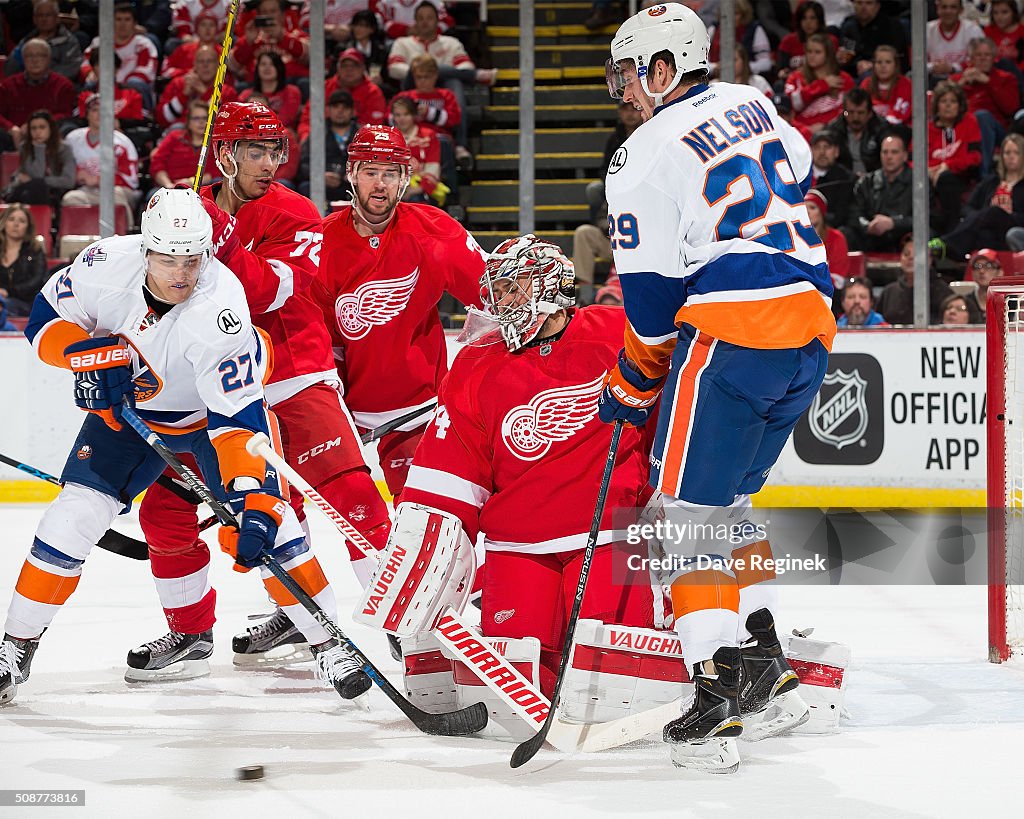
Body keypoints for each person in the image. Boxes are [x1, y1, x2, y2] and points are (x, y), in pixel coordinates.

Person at [0, 189, 367, 704]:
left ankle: (331, 643)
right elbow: (43, 320)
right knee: (69, 517)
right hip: (126, 418)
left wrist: (253, 499)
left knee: (274, 525)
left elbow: (236, 421)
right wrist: (81, 354)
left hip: (205, 420)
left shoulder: (222, 308)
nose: (182, 272)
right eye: (169, 258)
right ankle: (15, 646)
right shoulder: (104, 263)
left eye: (192, 258)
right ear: (145, 249)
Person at [600, 4, 830, 772]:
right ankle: (766, 662)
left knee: (685, 512)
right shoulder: (750, 99)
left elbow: (654, 313)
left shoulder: (640, 154)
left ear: (663, 69)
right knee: (731, 501)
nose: (625, 91)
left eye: (631, 74)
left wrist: (628, 381)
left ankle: (717, 691)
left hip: (734, 331)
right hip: (813, 327)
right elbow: (797, 171)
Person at [135, 103, 391, 670]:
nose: (271, 162)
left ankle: (410, 623)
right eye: (256, 151)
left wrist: (214, 232)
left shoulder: (296, 212)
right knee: (167, 509)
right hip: (217, 394)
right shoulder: (187, 209)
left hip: (294, 378)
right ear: (223, 154)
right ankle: (192, 631)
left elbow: (271, 293)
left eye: (276, 151)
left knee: (352, 500)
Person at [392, 235, 661, 700]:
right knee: (513, 686)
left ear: (551, 287)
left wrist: (665, 485)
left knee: (615, 679)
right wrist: (420, 541)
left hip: (609, 532)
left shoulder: (620, 332)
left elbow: (680, 403)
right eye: (499, 291)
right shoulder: (476, 360)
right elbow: (452, 463)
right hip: (516, 542)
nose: (504, 302)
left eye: (515, 288)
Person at [312, 124, 487, 499]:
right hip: (346, 414)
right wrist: (330, 409)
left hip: (419, 412)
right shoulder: (322, 242)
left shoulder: (435, 231)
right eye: (370, 172)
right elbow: (317, 341)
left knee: (419, 518)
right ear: (351, 173)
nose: (380, 185)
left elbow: (494, 301)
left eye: (390, 174)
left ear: (405, 178)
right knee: (356, 523)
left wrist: (473, 375)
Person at [931, 132, 1024, 259]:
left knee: (994, 212)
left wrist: (1007, 214)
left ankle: (947, 244)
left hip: (1013, 227)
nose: (1011, 157)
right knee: (985, 232)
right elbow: (967, 208)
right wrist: (982, 216)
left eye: (1016, 153)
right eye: (1007, 153)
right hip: (988, 229)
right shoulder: (991, 182)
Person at [61, 95, 141, 225]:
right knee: (70, 199)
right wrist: (76, 174)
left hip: (116, 190)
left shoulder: (122, 142)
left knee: (116, 196)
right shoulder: (73, 139)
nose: (99, 114)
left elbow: (131, 181)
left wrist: (99, 180)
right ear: (87, 114)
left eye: (103, 111)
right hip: (86, 190)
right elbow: (61, 168)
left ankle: (124, 236)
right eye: (94, 110)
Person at [952, 37, 1020, 176]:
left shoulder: (1006, 78)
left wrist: (988, 82)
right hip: (962, 130)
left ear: (994, 58)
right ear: (970, 59)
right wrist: (960, 86)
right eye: (978, 55)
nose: (983, 59)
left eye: (987, 55)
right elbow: (941, 108)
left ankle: (984, 175)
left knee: (982, 116)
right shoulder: (957, 80)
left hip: (998, 132)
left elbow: (1011, 109)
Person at [0, 38, 76, 150]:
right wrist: (11, 128)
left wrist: (36, 127)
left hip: (50, 135)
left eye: (41, 55)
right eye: (29, 56)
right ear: (23, 60)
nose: (35, 60)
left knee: (68, 128)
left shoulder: (63, 85)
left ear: (49, 59)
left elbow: (66, 114)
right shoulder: (7, 85)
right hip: (15, 136)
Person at [81, 2, 159, 111]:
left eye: (127, 20)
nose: (122, 24)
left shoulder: (143, 44)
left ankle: (144, 118)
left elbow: (146, 72)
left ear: (135, 23)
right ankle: (84, 117)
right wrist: (90, 72)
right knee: (90, 83)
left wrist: (118, 85)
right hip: (103, 85)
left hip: (130, 90)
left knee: (136, 83)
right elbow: (85, 64)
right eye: (118, 19)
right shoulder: (99, 42)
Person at [298, 48, 387, 143]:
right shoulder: (325, 87)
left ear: (363, 68)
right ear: (338, 69)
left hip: (360, 143)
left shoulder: (373, 92)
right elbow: (307, 119)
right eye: (345, 66)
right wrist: (306, 137)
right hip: (323, 140)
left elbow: (374, 127)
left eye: (354, 66)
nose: (349, 70)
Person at [843, 132, 913, 252]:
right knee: (845, 233)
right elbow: (854, 214)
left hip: (903, 236)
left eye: (894, 152)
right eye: (885, 152)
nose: (889, 157)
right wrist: (867, 226)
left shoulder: (918, 183)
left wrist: (893, 223)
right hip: (871, 237)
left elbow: (931, 218)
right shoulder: (866, 182)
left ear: (905, 156)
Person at [928, 81, 982, 235]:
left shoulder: (969, 122)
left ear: (960, 105)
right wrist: (928, 169)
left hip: (961, 175)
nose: (948, 106)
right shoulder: (928, 129)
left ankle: (951, 231)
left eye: (953, 101)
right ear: (936, 105)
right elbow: (912, 159)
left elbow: (975, 157)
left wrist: (947, 165)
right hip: (930, 175)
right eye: (943, 101)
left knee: (946, 178)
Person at [146, 100, 219, 202]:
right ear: (188, 122)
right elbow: (157, 164)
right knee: (151, 197)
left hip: (202, 188)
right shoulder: (174, 137)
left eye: (205, 118)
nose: (202, 122)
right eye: (196, 118)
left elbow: (215, 172)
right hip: (170, 187)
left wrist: (190, 182)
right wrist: (169, 185)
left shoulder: (214, 143)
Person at [157, 43, 238, 130]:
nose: (205, 66)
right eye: (201, 61)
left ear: (218, 66)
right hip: (180, 136)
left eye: (209, 61)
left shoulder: (227, 92)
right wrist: (183, 96)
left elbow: (226, 125)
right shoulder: (178, 84)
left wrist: (205, 93)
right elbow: (162, 119)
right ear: (194, 65)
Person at [876, 234, 953, 325]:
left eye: (916, 254)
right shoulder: (889, 292)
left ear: (929, 260)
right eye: (906, 254)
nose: (910, 258)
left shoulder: (943, 292)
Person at [784, 32, 854, 134]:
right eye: (809, 52)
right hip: (802, 134)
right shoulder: (795, 78)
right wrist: (822, 85)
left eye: (817, 52)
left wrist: (828, 126)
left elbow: (849, 111)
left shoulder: (843, 79)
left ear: (828, 54)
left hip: (836, 132)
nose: (812, 56)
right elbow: (793, 105)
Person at [4, 110, 76, 207]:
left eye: (42, 127)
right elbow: (31, 173)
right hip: (31, 191)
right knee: (30, 191)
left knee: (37, 187)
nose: (37, 132)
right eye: (33, 128)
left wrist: (38, 181)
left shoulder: (64, 148)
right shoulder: (25, 148)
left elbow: (68, 181)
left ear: (51, 128)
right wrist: (38, 148)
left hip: (56, 192)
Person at [298, 89, 358, 202]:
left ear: (352, 111)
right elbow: (304, 164)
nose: (340, 111)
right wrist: (321, 176)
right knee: (305, 187)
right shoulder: (317, 133)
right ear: (328, 110)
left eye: (345, 108)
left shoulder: (362, 134)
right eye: (335, 107)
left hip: (350, 184)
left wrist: (352, 175)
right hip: (322, 184)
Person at [228, 0, 309, 83]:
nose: (268, 15)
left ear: (283, 15)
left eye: (273, 11)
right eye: (264, 11)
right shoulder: (251, 37)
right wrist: (247, 42)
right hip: (256, 88)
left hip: (292, 85)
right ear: (258, 15)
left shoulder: (296, 34)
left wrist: (283, 37)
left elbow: (312, 57)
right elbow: (231, 65)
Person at [4, 0, 82, 82]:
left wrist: (41, 78)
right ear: (34, 20)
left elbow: (71, 69)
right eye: (40, 15)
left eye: (48, 15)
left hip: (57, 88)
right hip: (28, 86)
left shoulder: (69, 41)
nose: (44, 19)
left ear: (57, 18)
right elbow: (9, 70)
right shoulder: (26, 41)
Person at [390, 96, 446, 207]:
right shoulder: (387, 137)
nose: (402, 119)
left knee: (415, 200)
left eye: (406, 114)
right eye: (398, 115)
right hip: (392, 187)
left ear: (414, 115)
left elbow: (433, 168)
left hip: (420, 189)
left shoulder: (428, 136)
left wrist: (418, 188)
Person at [821, 87, 886, 177]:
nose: (855, 118)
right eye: (850, 112)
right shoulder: (833, 130)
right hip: (843, 182)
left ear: (870, 113)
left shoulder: (882, 129)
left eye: (860, 113)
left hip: (875, 182)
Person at [836, 0, 909, 76]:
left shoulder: (891, 26)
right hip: (854, 70)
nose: (863, 7)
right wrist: (844, 59)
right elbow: (847, 54)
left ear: (877, 6)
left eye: (869, 3)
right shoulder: (849, 26)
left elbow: (896, 57)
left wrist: (872, 64)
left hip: (883, 71)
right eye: (859, 3)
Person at [0, 204, 47, 316]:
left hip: (25, 302)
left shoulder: (35, 250)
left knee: (5, 306)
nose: (16, 224)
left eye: (21, 221)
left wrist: (8, 291)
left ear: (27, 227)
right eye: (11, 219)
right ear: (4, 223)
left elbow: (36, 281)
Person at [238, 51, 302, 131]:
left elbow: (287, 118)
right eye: (263, 64)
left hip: (282, 135)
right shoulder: (246, 95)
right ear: (257, 68)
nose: (267, 68)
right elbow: (240, 120)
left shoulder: (291, 91)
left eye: (272, 64)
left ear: (279, 68)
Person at [927, 0, 984, 82]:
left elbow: (980, 61)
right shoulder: (926, 30)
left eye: (953, 7)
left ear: (961, 10)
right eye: (944, 7)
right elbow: (916, 63)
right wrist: (932, 67)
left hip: (965, 80)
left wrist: (953, 68)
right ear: (937, 9)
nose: (948, 11)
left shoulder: (973, 30)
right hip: (931, 79)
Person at [777, 1, 834, 80]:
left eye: (812, 18)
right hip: (795, 81)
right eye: (804, 18)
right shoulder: (788, 41)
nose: (808, 22)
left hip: (823, 80)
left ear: (819, 20)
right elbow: (782, 69)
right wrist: (783, 73)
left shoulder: (830, 41)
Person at [809, 130, 854, 229]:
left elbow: (841, 215)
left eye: (827, 147)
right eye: (817, 147)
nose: (822, 152)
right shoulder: (799, 175)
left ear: (836, 152)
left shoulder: (845, 179)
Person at [163, 9, 222, 83]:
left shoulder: (223, 53)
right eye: (203, 25)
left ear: (217, 29)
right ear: (197, 29)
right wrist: (187, 73)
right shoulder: (184, 50)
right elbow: (166, 71)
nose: (207, 29)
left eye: (211, 25)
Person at [805, 188, 849, 284]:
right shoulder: (793, 239)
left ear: (821, 212)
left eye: (812, 208)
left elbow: (838, 279)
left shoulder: (836, 237)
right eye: (804, 208)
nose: (807, 212)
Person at [861, 44, 912, 127]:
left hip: (898, 129)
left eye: (888, 62)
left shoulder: (906, 84)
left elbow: (901, 113)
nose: (883, 66)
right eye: (879, 62)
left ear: (895, 65)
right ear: (874, 65)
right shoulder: (866, 83)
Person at [963, 247, 1001, 321]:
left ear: (1000, 272)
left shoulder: (1011, 302)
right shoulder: (965, 303)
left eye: (988, 266)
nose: (981, 271)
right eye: (977, 266)